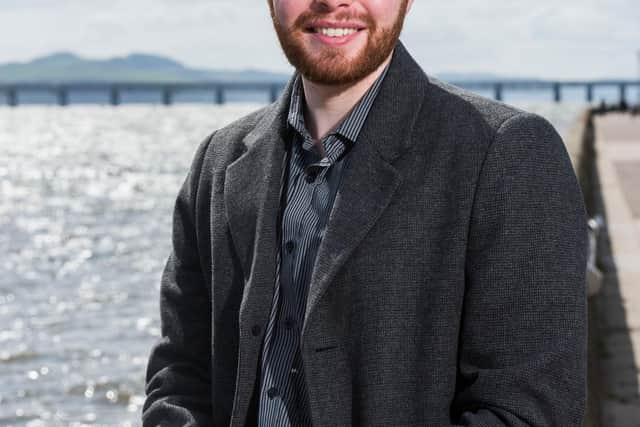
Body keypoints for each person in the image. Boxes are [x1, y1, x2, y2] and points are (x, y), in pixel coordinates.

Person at [143, 0, 588, 426]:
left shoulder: (506, 153)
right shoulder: (218, 162)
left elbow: (528, 409)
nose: (333, 2)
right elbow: (179, 373)